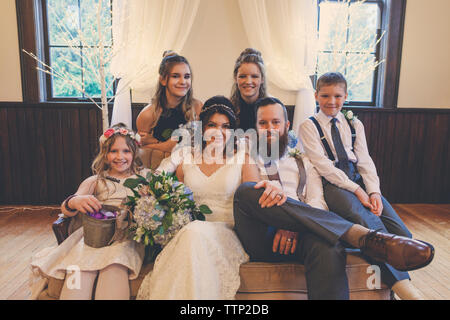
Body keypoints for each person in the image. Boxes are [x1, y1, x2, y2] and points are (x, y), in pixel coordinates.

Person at [233, 97, 435, 299]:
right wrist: (282, 220)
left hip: (302, 234)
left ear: (286, 126)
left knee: (329, 244)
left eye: (275, 122)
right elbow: (253, 190)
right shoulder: (250, 155)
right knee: (246, 191)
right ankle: (358, 235)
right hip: (265, 234)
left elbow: (316, 201)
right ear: (255, 127)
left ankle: (359, 239)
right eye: (263, 123)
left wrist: (294, 225)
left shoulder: (303, 160)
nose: (270, 128)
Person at [299, 72, 434, 299]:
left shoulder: (354, 123)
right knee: (366, 221)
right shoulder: (309, 125)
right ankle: (406, 290)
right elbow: (322, 166)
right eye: (325, 96)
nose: (331, 102)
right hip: (332, 183)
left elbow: (364, 160)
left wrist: (373, 191)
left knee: (401, 232)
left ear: (346, 96)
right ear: (316, 96)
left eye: (337, 96)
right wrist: (357, 190)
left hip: (357, 179)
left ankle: (390, 287)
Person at [136, 98, 284, 300]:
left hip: (228, 234)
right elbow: (176, 199)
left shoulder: (243, 159)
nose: (218, 132)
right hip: (190, 233)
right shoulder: (187, 159)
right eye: (212, 125)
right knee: (191, 234)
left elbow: (252, 204)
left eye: (225, 126)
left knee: (193, 233)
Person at [30, 123, 148, 300]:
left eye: (126, 151)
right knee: (78, 267)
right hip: (92, 238)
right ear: (105, 155)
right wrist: (76, 201)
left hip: (125, 238)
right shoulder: (96, 180)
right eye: (113, 151)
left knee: (115, 265)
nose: (120, 156)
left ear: (135, 153)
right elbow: (66, 208)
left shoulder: (145, 177)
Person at [136, 51, 203, 153]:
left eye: (187, 76)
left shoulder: (198, 107)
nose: (183, 82)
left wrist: (158, 143)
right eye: (175, 76)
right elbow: (142, 152)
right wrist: (166, 145)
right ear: (163, 80)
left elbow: (199, 148)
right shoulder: (147, 115)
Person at [231, 48, 267, 131]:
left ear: (262, 79)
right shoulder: (228, 109)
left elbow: (276, 143)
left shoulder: (273, 108)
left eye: (254, 76)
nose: (248, 82)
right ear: (235, 78)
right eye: (242, 76)